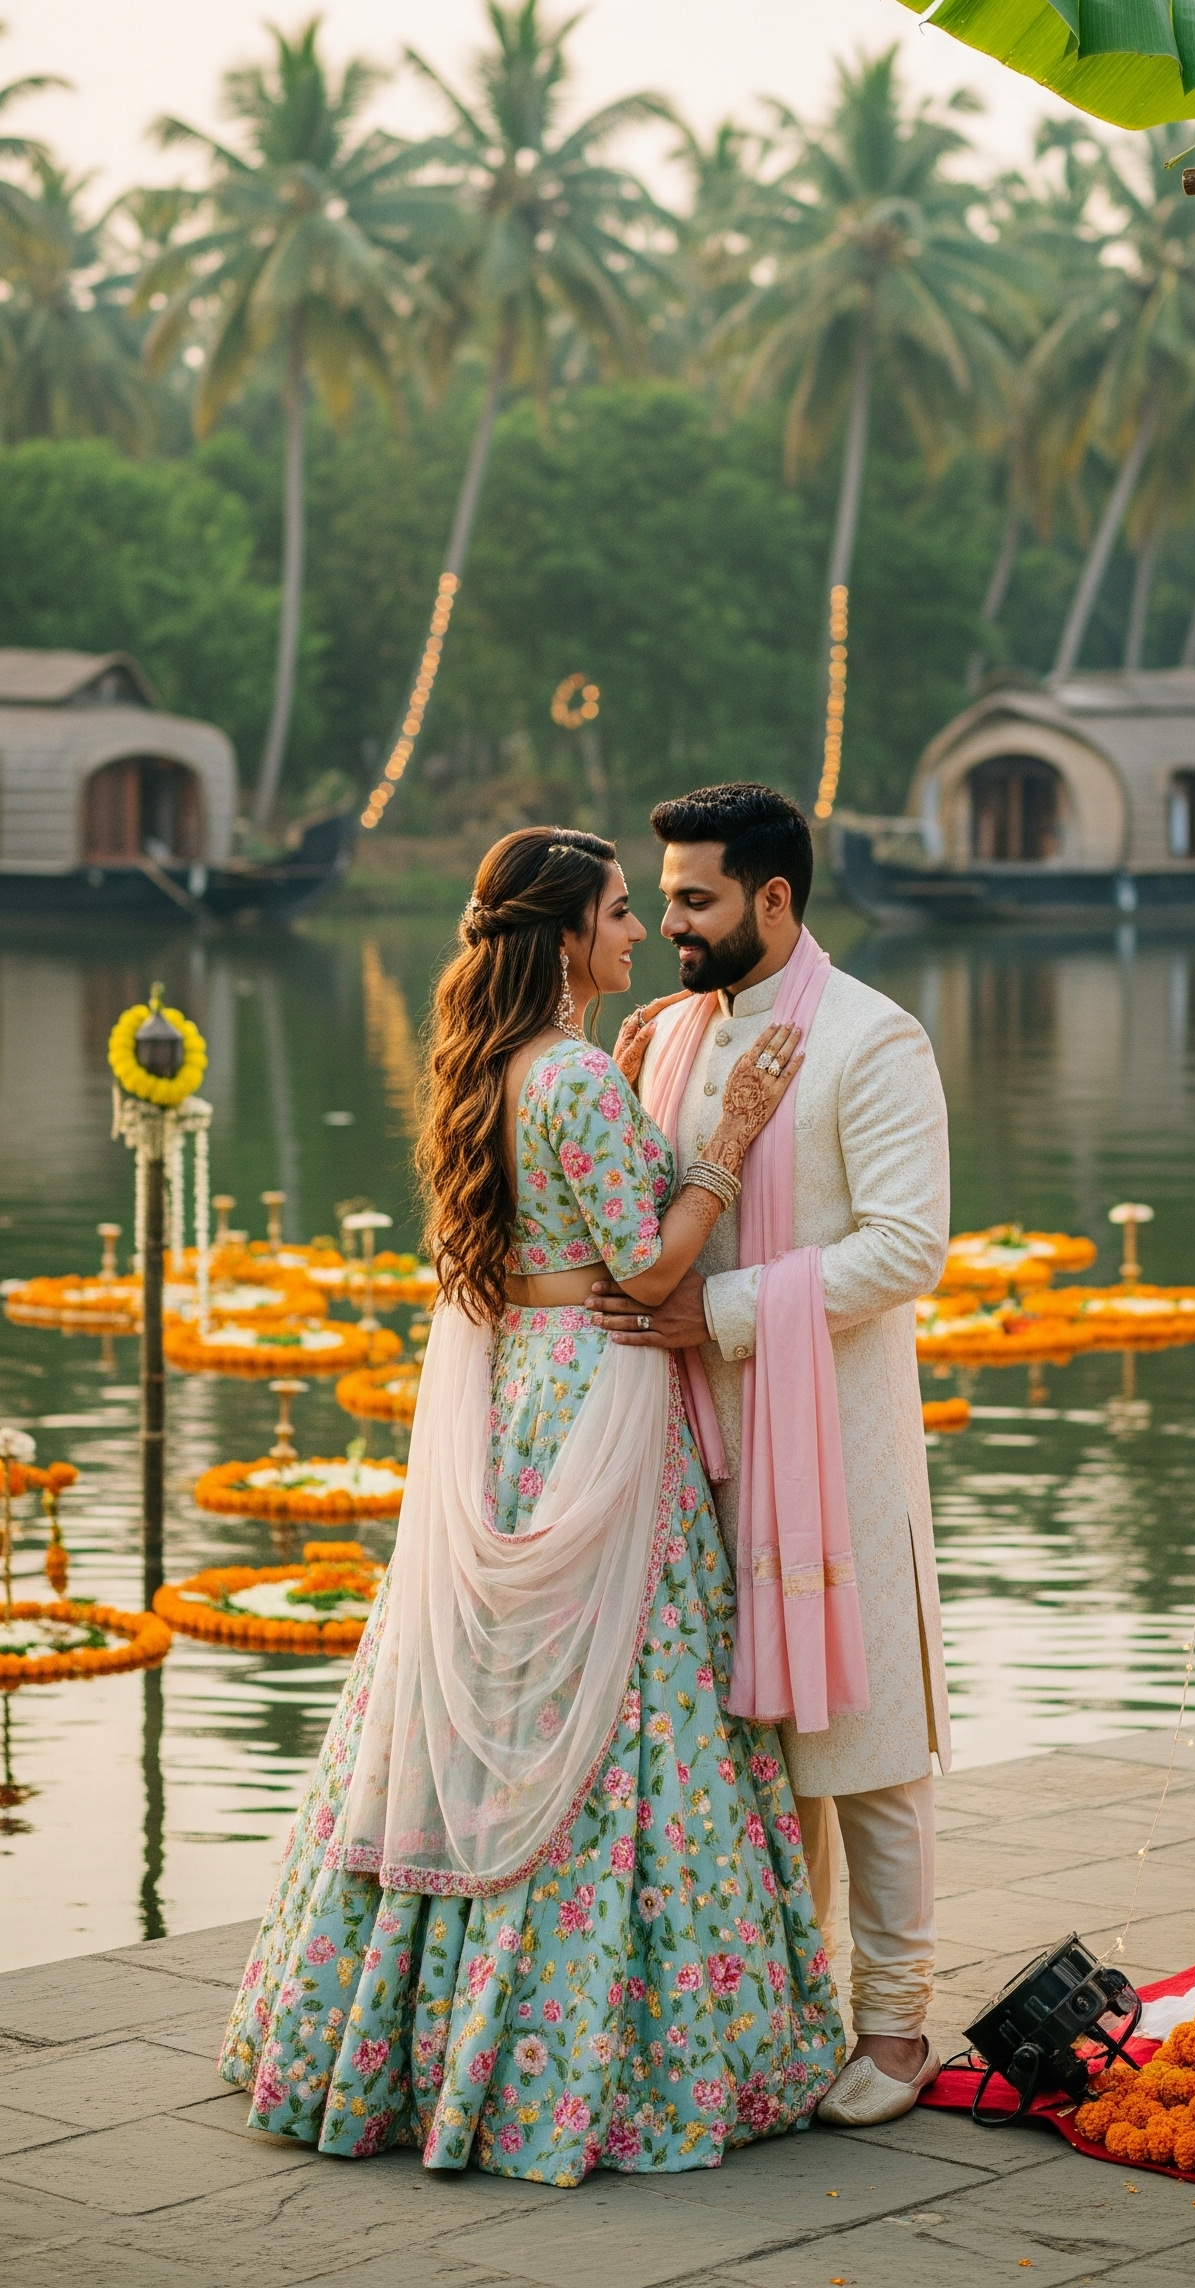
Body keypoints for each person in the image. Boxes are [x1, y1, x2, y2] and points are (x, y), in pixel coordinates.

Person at [220, 826, 844, 2181]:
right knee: (630, 1687)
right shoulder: (571, 1080)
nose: (639, 935)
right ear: (567, 938)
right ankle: (593, 2060)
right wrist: (728, 1137)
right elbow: (650, 1260)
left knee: (476, 1677)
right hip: (601, 1401)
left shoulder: (491, 1071)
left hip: (515, 1400)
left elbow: (538, 1230)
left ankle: (389, 2035)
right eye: (622, 915)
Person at [589, 781, 952, 2127]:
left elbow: (912, 1245)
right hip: (693, 1441)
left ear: (776, 899)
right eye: (663, 899)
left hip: (832, 1441)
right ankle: (780, 2014)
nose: (673, 921)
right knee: (743, 1746)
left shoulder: (873, 1039)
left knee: (863, 1739)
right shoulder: (673, 1033)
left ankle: (900, 2027)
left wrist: (728, 1313)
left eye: (697, 899)